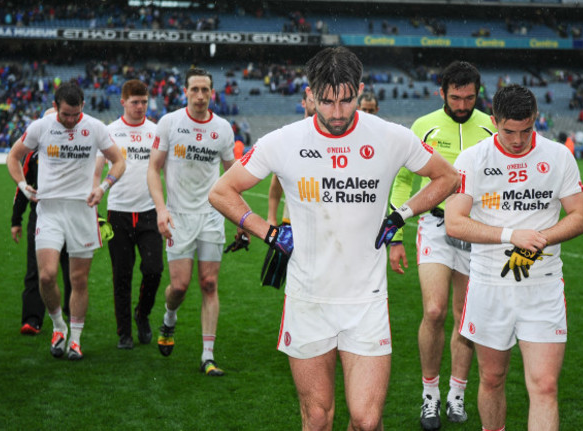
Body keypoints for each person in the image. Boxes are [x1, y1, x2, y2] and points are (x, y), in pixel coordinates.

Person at [208, 47, 459, 430]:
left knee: (367, 420)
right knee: (318, 418)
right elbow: (222, 191)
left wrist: (401, 214)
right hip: (307, 299)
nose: (338, 113)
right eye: (326, 102)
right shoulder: (283, 140)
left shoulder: (391, 137)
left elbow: (447, 177)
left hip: (366, 302)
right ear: (310, 95)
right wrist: (268, 231)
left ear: (359, 91)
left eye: (346, 100)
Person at [444, 84, 583, 431]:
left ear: (536, 120)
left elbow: (580, 216)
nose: (518, 140)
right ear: (494, 121)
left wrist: (538, 241)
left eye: (526, 130)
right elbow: (454, 222)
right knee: (492, 378)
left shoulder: (558, 157)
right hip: (489, 283)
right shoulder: (473, 159)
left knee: (545, 385)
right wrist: (512, 236)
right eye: (509, 131)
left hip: (541, 286)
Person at [388, 60, 496, 430]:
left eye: (469, 98)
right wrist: (395, 235)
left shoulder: (490, 127)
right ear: (442, 93)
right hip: (434, 226)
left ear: (477, 93)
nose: (463, 105)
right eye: (455, 98)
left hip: (475, 231)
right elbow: (402, 181)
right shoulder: (424, 126)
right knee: (434, 312)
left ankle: (457, 393)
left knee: (465, 316)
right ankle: (430, 395)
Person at [6, 82, 125, 360]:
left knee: (78, 279)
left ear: (82, 106)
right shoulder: (41, 127)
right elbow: (13, 157)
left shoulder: (95, 128)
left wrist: (103, 187)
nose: (71, 121)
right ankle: (58, 326)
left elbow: (118, 162)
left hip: (82, 212)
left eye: (76, 114)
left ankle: (76, 339)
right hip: (49, 210)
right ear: (56, 107)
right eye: (65, 115)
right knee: (46, 276)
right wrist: (24, 187)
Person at [147, 67, 235, 376]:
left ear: (212, 93)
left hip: (211, 215)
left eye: (205, 90)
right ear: (185, 91)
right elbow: (153, 169)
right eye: (194, 89)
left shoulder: (223, 128)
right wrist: (161, 209)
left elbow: (232, 175)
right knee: (180, 287)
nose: (200, 95)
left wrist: (239, 219)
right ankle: (169, 317)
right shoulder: (170, 123)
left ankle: (207, 356)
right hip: (178, 216)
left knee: (209, 283)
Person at [94, 79, 164, 350]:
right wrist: (96, 193)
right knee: (121, 275)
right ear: (122, 102)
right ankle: (124, 332)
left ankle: (142, 314)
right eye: (135, 102)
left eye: (144, 101)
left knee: (154, 270)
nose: (140, 107)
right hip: (119, 213)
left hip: (148, 212)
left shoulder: (156, 131)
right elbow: (98, 168)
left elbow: (165, 168)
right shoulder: (109, 131)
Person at [11, 145, 72, 335]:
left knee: (73, 270)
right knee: (37, 269)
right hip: (41, 216)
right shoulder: (33, 154)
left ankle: (72, 311)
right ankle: (32, 318)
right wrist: (16, 220)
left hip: (73, 216)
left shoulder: (77, 148)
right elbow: (24, 186)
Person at [267, 90, 316, 227]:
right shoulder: (290, 137)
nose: (316, 104)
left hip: (324, 222)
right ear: (303, 103)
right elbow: (276, 182)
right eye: (312, 100)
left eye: (321, 100)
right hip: (292, 221)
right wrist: (271, 217)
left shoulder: (334, 140)